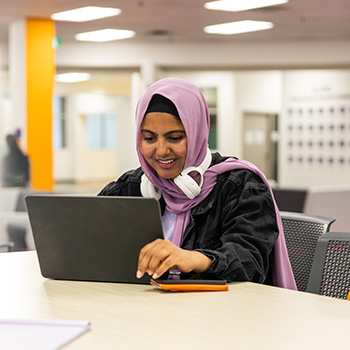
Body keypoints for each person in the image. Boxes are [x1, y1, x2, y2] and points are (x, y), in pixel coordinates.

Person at [99, 77, 296, 289]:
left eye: (174, 138)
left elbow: (250, 260)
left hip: (220, 313)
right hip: (144, 309)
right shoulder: (129, 188)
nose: (162, 150)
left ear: (197, 133)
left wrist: (196, 259)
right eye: (149, 138)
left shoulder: (240, 186)